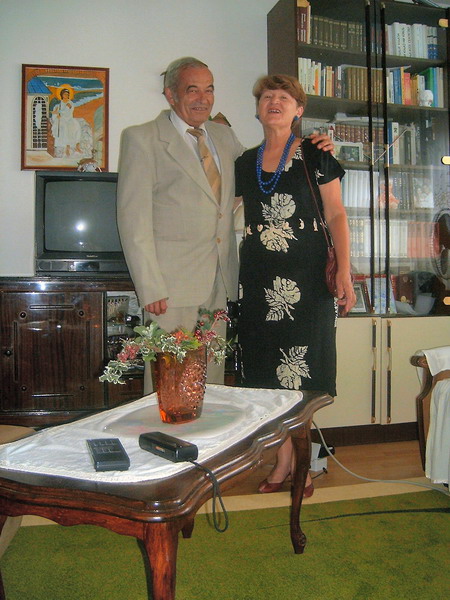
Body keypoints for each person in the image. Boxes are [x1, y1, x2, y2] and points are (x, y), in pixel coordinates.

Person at [117, 57, 335, 388]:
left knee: (212, 378)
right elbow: (133, 220)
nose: (202, 98)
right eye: (192, 90)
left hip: (221, 281)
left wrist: (314, 146)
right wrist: (150, 286)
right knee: (170, 382)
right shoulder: (142, 138)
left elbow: (270, 167)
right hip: (170, 287)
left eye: (209, 90)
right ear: (171, 95)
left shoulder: (223, 137)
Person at [235, 74, 356, 495]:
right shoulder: (244, 161)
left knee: (300, 371)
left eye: (284, 97)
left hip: (307, 277)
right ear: (257, 109)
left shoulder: (316, 154)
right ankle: (283, 459)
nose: (274, 101)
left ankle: (303, 465)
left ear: (298, 110)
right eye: (267, 96)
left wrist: (344, 269)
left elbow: (336, 213)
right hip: (258, 278)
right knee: (265, 370)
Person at [51, 87, 82, 157]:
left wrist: (58, 112)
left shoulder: (70, 103)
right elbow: (55, 114)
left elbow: (67, 112)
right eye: (65, 94)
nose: (66, 96)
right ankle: (67, 147)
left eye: (67, 94)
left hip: (69, 119)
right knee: (65, 128)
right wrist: (56, 115)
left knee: (77, 126)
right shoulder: (58, 105)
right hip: (62, 120)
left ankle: (77, 146)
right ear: (62, 95)